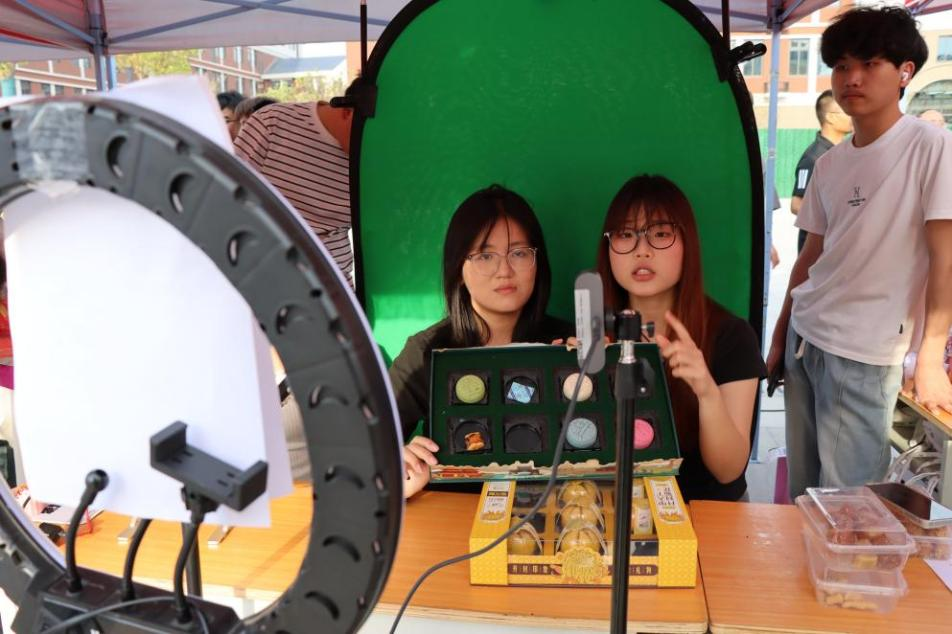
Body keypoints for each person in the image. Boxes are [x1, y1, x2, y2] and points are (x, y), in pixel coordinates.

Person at [766, 7, 952, 499]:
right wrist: (780, 335)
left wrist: (930, 359)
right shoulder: (830, 164)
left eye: (869, 64)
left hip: (867, 351)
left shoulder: (932, 147)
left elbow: (946, 259)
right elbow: (810, 258)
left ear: (905, 72)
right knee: (805, 495)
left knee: (850, 505)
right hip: (806, 337)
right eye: (842, 66)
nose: (852, 78)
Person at [390, 185, 572, 498]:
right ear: (458, 269)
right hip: (455, 519)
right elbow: (364, 453)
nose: (505, 270)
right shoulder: (425, 352)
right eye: (485, 256)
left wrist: (598, 375)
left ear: (537, 261)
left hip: (554, 515)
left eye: (519, 253)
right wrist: (397, 468)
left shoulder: (568, 344)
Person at [597, 175, 766, 501]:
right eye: (625, 234)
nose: (642, 251)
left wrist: (706, 391)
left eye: (660, 234)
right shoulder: (597, 337)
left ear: (688, 243)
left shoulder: (731, 337)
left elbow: (728, 470)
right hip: (618, 510)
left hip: (706, 513)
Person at [234, 83, 355, 285]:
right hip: (263, 277)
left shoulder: (379, 160)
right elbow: (228, 195)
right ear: (347, 111)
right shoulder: (272, 122)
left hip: (334, 286)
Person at [790, 90, 852, 252]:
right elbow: (797, 205)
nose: (852, 115)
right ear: (830, 117)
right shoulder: (813, 158)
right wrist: (836, 220)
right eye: (846, 110)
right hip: (816, 252)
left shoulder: (844, 153)